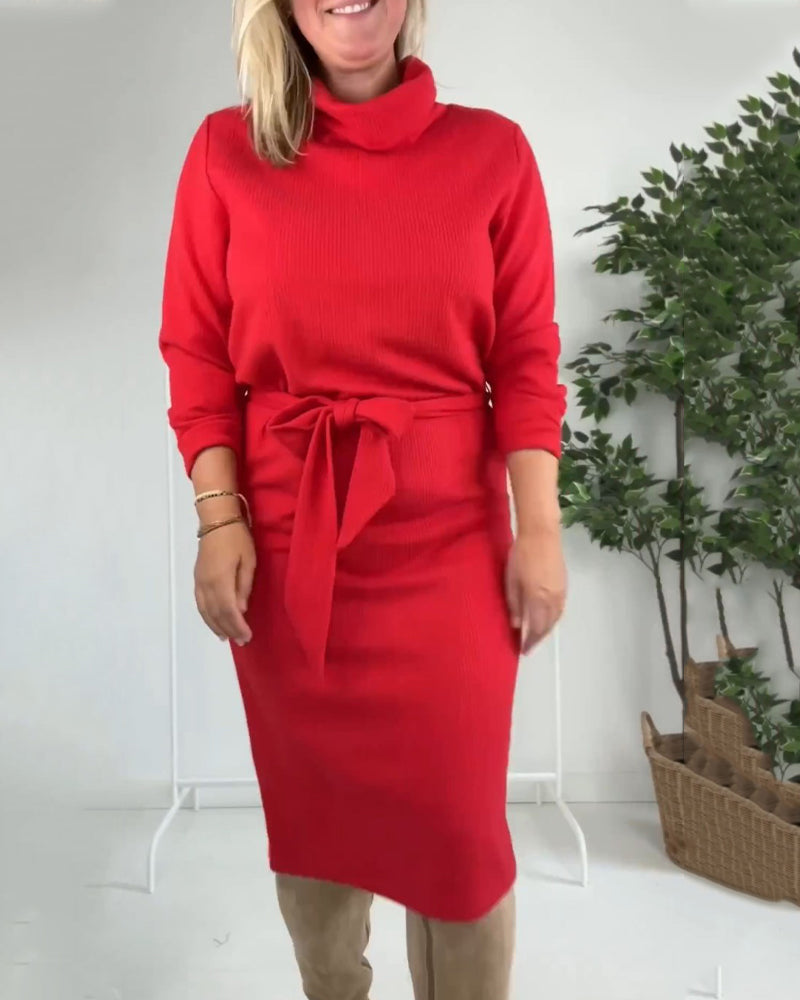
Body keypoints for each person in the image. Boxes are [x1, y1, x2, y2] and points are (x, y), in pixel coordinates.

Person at [157, 1, 568, 997]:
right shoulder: (223, 152)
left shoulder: (493, 153)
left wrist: (541, 527)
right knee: (316, 823)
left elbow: (524, 356)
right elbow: (197, 353)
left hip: (451, 545)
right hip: (290, 541)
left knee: (459, 840)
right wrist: (219, 518)